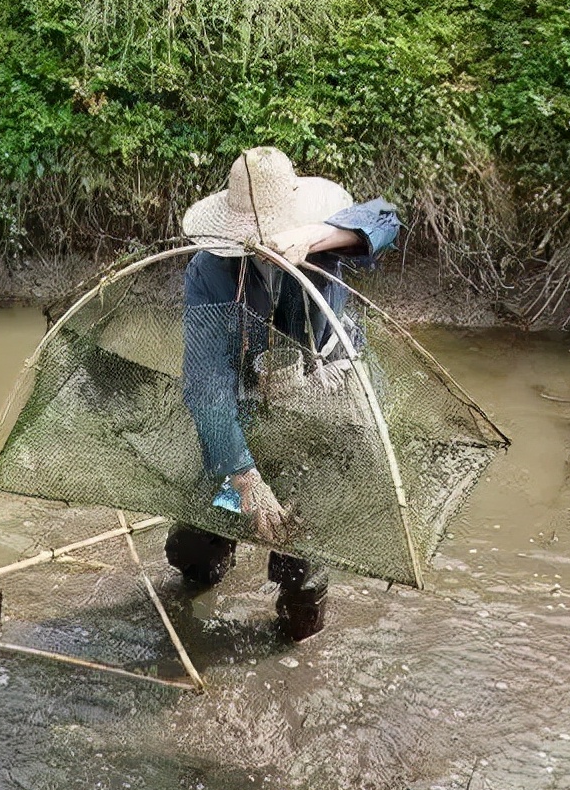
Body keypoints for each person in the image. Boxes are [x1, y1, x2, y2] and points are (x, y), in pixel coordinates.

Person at [166, 146, 399, 639]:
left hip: (323, 397)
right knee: (192, 548)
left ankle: (298, 619)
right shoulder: (210, 271)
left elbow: (385, 220)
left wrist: (314, 236)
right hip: (247, 398)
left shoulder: (321, 235)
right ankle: (215, 557)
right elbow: (207, 384)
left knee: (304, 557)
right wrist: (246, 479)